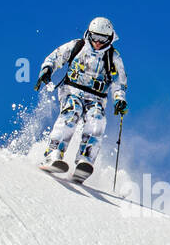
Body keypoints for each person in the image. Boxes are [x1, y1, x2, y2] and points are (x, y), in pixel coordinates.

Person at [35, 17, 128, 181]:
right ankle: (53, 153)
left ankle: (85, 161)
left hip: (97, 98)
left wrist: (119, 98)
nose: (98, 42)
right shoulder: (77, 46)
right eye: (95, 37)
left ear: (110, 38)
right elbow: (56, 56)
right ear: (89, 34)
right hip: (72, 90)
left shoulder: (113, 57)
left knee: (97, 120)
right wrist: (47, 69)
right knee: (71, 113)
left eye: (103, 39)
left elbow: (119, 82)